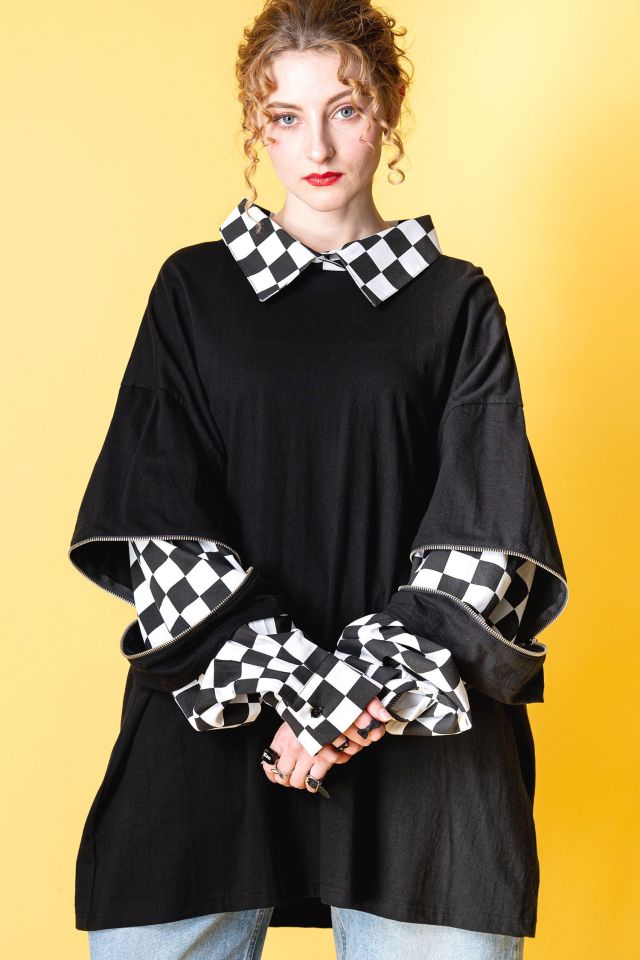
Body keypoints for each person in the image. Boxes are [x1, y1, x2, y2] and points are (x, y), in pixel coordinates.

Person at [68, 2, 569, 957]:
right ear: (256, 127)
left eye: (346, 109)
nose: (319, 145)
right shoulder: (194, 291)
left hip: (421, 729)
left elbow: (486, 536)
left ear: (389, 110)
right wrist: (309, 689)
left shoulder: (455, 301)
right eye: (286, 116)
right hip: (215, 707)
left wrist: (349, 699)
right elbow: (159, 524)